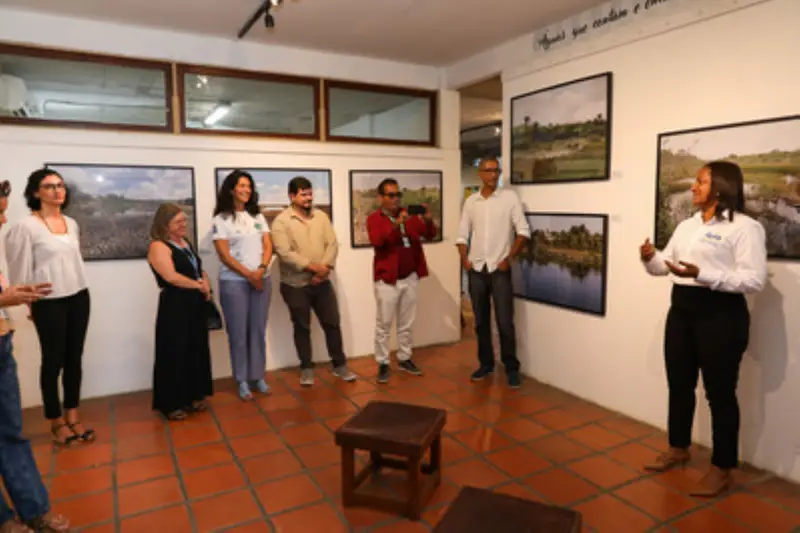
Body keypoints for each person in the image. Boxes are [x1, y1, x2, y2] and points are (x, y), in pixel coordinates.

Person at [640, 160, 767, 497]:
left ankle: (723, 468)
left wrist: (703, 275)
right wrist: (650, 257)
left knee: (720, 394)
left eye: (700, 181)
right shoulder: (687, 225)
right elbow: (665, 267)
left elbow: (754, 279)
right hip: (682, 311)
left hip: (721, 316)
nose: (692, 187)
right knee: (679, 384)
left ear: (721, 187)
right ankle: (678, 448)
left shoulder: (746, 228)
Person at [4, 168, 94, 446]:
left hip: (79, 296)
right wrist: (29, 302)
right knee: (53, 360)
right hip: (48, 302)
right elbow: (19, 270)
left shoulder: (71, 223)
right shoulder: (26, 226)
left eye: (61, 185)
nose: (57, 191)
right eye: (49, 186)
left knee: (74, 359)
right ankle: (55, 421)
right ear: (36, 192)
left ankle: (73, 415)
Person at [0, 179, 71, 533]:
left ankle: (34, 510)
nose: (3, 220)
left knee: (12, 433)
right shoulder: (25, 227)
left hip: (1, 341)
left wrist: (13, 293)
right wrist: (6, 298)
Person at [271, 176, 356, 387]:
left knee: (332, 323)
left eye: (310, 194)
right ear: (292, 196)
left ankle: (339, 365)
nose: (308, 198)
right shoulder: (281, 221)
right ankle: (307, 368)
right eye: (303, 194)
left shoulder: (321, 217)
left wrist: (324, 268)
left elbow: (332, 244)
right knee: (302, 327)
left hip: (322, 282)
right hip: (295, 285)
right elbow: (284, 252)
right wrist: (313, 267)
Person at [456, 156, 530, 388]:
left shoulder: (509, 198)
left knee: (505, 322)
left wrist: (509, 258)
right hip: (476, 269)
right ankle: (486, 364)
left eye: (496, 171)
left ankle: (511, 367)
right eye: (488, 171)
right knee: (480, 322)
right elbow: (462, 234)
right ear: (480, 173)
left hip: (499, 269)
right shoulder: (471, 202)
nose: (493, 175)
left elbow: (523, 231)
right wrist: (464, 259)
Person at [147, 203, 214, 420]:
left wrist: (205, 283)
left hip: (194, 304)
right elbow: (170, 276)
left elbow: (198, 269)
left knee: (195, 349)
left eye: (184, 220)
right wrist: (199, 286)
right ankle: (172, 403)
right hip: (175, 306)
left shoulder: (185, 243)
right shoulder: (158, 246)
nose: (184, 224)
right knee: (175, 351)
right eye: (178, 222)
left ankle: (194, 395)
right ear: (165, 224)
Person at [366, 178, 436, 384]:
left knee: (406, 323)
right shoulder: (374, 219)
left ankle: (405, 358)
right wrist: (396, 224)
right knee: (384, 324)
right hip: (387, 279)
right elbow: (378, 241)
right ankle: (383, 362)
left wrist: (428, 220)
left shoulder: (410, 217)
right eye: (391, 195)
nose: (395, 199)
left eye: (398, 194)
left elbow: (430, 235)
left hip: (410, 276)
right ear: (381, 198)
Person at [212, 170, 273, 401]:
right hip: (234, 283)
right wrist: (249, 275)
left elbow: (268, 245)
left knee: (257, 330)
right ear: (231, 189)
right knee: (238, 333)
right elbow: (224, 255)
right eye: (242, 185)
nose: (246, 190)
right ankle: (242, 380)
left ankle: (258, 376)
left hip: (261, 280)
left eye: (249, 186)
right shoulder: (221, 220)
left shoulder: (257, 216)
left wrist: (261, 268)